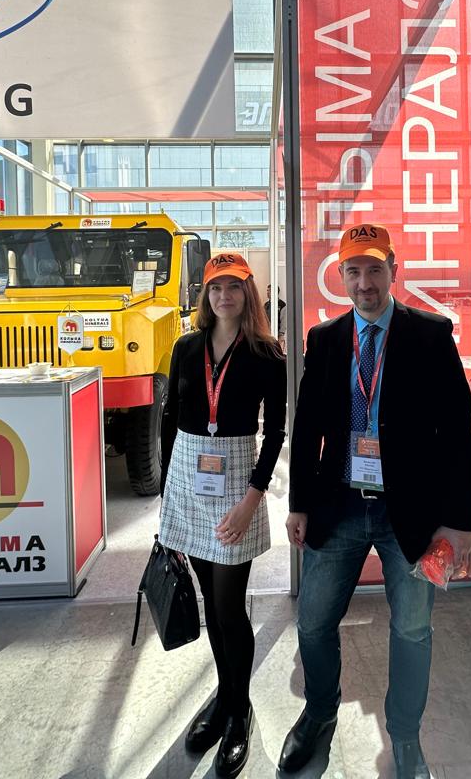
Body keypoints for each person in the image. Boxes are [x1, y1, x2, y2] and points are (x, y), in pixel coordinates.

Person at [279, 223, 471, 779]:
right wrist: (298, 503)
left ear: (394, 270)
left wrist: (460, 521)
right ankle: (319, 714)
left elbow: (458, 434)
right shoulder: (324, 340)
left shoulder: (431, 334)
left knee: (412, 629)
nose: (364, 283)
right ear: (340, 276)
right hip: (337, 506)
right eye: (353, 271)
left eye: (374, 269)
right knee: (313, 623)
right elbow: (306, 428)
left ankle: (406, 738)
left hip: (409, 515)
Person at [159, 252, 288, 778]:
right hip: (188, 483)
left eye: (233, 287)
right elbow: (170, 418)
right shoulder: (185, 347)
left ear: (248, 294)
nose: (223, 296)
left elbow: (275, 432)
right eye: (215, 288)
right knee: (212, 605)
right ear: (205, 294)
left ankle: (239, 711)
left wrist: (252, 499)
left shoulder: (267, 354)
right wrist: (167, 496)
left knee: (230, 606)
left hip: (238, 485)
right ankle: (224, 695)